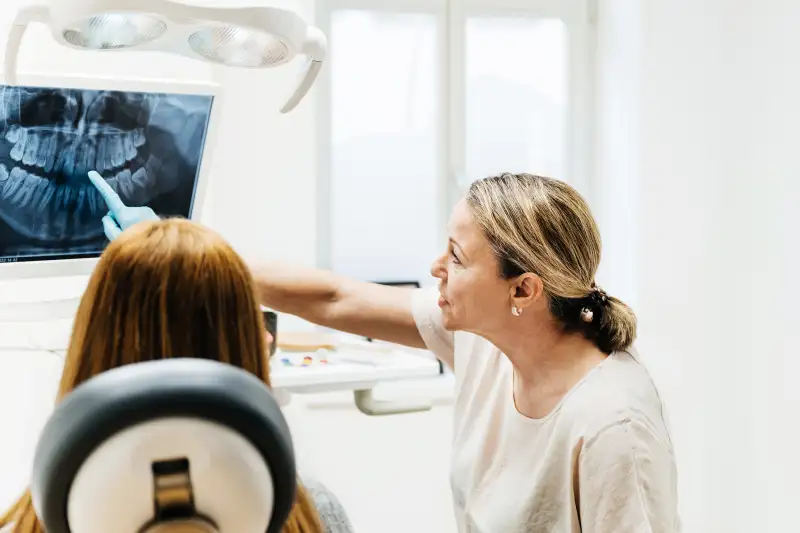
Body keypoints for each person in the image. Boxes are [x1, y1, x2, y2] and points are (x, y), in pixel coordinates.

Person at [91, 171, 680, 532]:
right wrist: (185, 249)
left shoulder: (611, 426)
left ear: (523, 290)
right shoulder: (486, 340)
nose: (435, 269)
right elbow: (334, 297)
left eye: (457, 257)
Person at [0, 218, 354, 533]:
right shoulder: (316, 516)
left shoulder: (26, 523)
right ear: (242, 339)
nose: (268, 336)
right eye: (253, 321)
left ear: (92, 335)